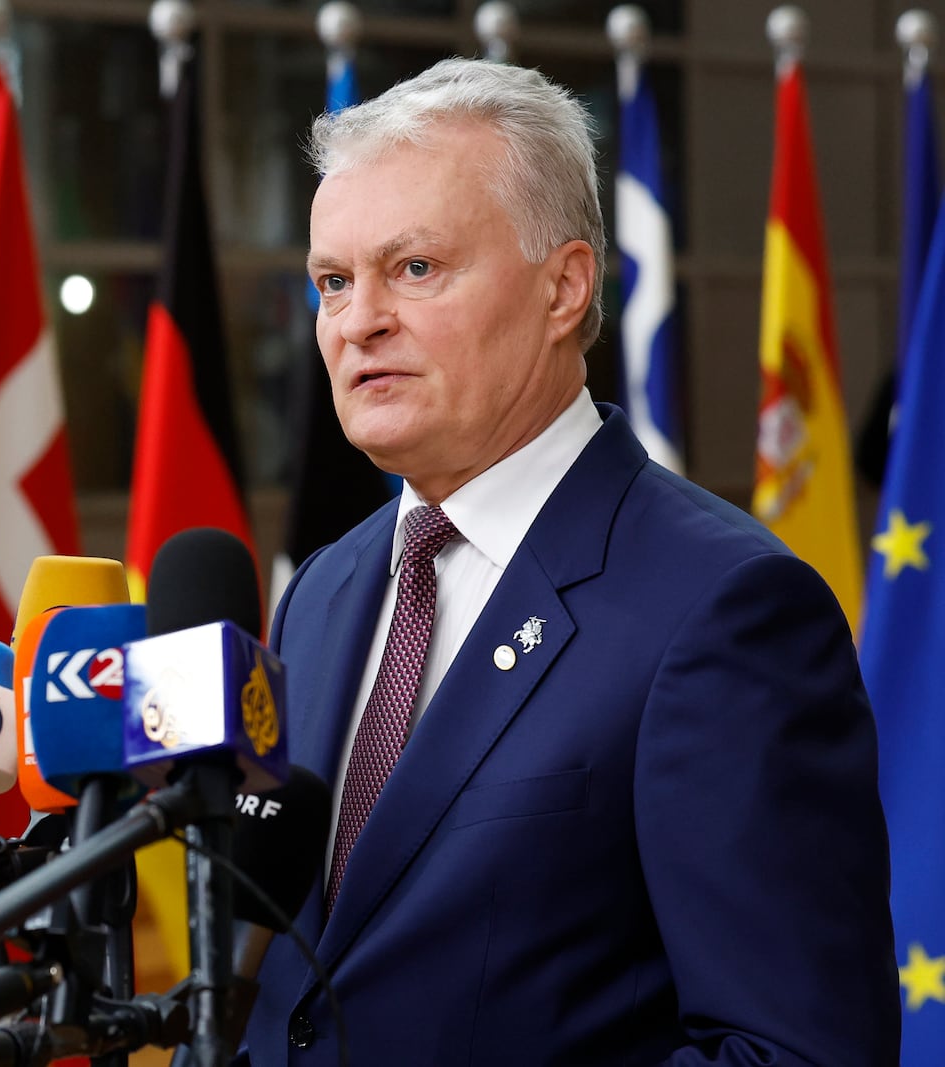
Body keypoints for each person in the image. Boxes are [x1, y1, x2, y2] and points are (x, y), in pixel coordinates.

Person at [246, 57, 898, 1065]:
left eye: (413, 269)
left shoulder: (725, 609)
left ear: (564, 287)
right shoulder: (324, 590)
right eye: (333, 280)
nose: (356, 320)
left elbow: (794, 1049)